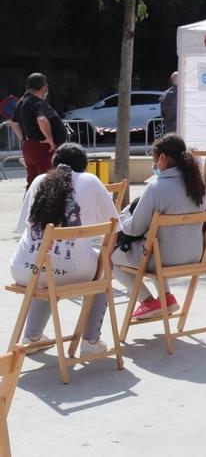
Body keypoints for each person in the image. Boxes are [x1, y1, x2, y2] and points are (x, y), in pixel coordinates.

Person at [9, 143, 117, 352]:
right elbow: (113, 227)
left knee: (46, 271)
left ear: (54, 164)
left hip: (24, 269)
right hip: (71, 271)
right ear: (84, 165)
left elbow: (23, 226)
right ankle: (90, 341)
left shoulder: (39, 180)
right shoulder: (90, 181)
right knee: (103, 273)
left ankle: (32, 337)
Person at [112, 134, 206, 319]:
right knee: (155, 244)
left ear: (163, 158)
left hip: (162, 258)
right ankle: (166, 297)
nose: (155, 165)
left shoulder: (156, 188)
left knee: (110, 259)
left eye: (155, 160)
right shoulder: (200, 187)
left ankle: (148, 301)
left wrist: (123, 213)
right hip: (195, 255)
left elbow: (133, 228)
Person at [13, 73, 66, 187]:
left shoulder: (21, 102)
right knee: (47, 180)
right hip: (43, 148)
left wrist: (23, 139)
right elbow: (41, 119)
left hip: (29, 146)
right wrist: (50, 139)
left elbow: (13, 123)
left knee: (32, 180)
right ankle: (46, 204)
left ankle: (30, 203)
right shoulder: (37, 102)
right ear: (43, 87)